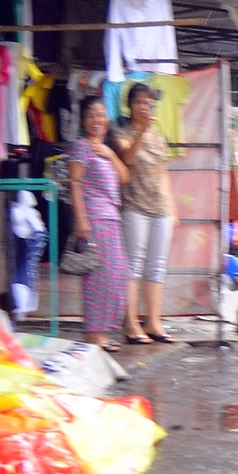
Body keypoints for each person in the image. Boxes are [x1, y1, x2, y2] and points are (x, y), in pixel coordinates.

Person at [112, 81, 177, 343]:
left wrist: (173, 207)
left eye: (148, 103)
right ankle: (130, 324)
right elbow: (127, 158)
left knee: (157, 266)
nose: (144, 107)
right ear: (130, 105)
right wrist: (142, 131)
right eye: (139, 102)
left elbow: (163, 172)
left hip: (160, 206)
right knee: (134, 265)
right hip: (135, 206)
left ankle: (153, 322)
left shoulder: (158, 136)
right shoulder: (122, 132)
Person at [67, 95, 130, 352]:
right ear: (83, 119)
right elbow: (74, 182)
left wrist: (109, 154)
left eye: (101, 115)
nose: (97, 120)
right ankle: (95, 335)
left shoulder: (105, 149)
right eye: (92, 115)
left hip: (111, 218)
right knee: (98, 278)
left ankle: (103, 331)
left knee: (117, 276)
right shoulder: (81, 147)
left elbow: (125, 177)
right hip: (94, 218)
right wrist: (81, 219)